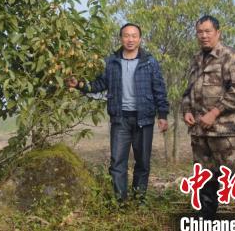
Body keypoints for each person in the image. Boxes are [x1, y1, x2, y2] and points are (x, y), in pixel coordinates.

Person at [67, 23, 169, 202]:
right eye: (126, 36)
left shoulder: (149, 62)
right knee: (117, 162)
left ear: (140, 39)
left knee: (143, 162)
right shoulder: (111, 62)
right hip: (120, 118)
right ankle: (119, 201)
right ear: (121, 38)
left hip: (143, 118)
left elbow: (159, 89)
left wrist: (162, 115)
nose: (130, 39)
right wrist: (80, 85)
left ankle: (139, 200)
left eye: (134, 36)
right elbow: (99, 85)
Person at [181, 15, 235, 219]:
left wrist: (214, 113)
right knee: (206, 174)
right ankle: (206, 214)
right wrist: (187, 110)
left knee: (234, 172)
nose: (203, 36)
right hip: (199, 130)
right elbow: (188, 91)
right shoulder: (196, 60)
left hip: (224, 131)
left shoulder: (231, 57)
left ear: (218, 33)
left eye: (208, 31)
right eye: (200, 32)